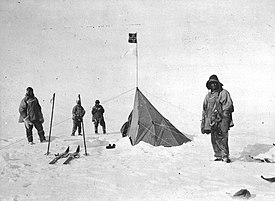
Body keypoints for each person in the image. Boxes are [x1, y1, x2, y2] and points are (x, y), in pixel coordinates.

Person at [201, 75, 234, 163]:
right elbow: (205, 110)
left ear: (218, 83)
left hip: (222, 119)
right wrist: (205, 124)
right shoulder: (208, 96)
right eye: (211, 83)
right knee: (214, 139)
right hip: (212, 121)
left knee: (223, 138)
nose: (213, 85)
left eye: (214, 83)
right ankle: (218, 155)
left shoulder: (224, 93)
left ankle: (225, 156)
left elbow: (228, 106)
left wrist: (224, 119)